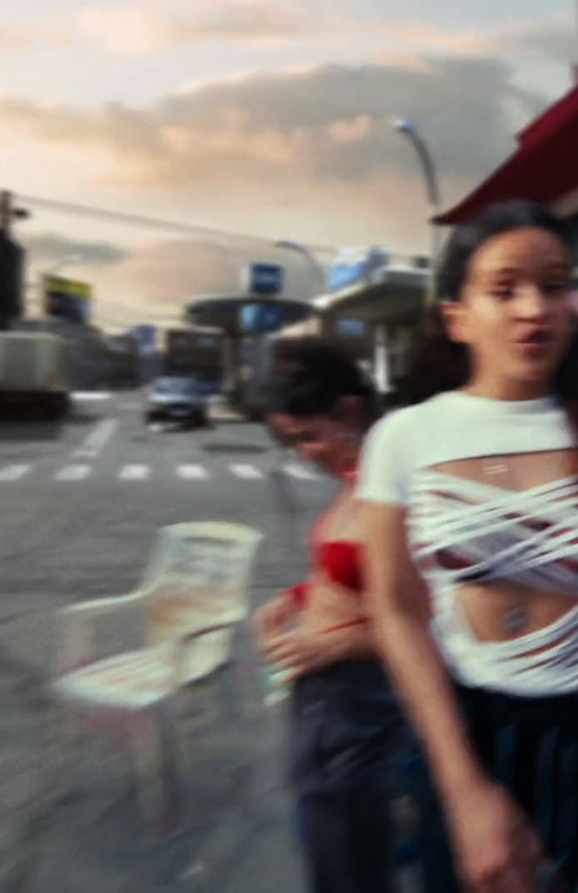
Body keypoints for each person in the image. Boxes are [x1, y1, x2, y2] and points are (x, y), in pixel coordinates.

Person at [357, 199, 578, 893]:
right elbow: (396, 610)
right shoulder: (405, 438)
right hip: (472, 737)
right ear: (457, 315)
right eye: (504, 289)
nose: (534, 308)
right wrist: (463, 791)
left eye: (553, 286)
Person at [253, 339, 410, 893]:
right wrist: (296, 599)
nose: (304, 454)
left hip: (361, 709)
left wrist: (335, 645)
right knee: (330, 850)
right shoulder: (356, 480)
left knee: (351, 864)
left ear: (349, 410)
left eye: (308, 436)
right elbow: (348, 572)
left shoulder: (399, 486)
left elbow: (432, 619)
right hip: (328, 706)